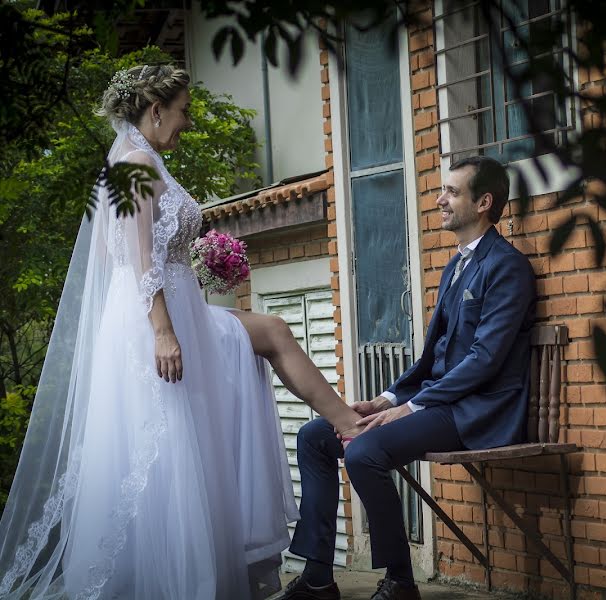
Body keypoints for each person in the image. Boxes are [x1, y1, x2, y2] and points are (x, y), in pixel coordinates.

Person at [0, 64, 362, 600]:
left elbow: (114, 252)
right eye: (184, 111)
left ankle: (346, 422)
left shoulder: (126, 165)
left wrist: (188, 266)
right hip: (159, 319)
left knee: (245, 362)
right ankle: (349, 424)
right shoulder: (140, 164)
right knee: (196, 415)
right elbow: (141, 260)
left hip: (165, 308)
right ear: (154, 111)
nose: (186, 122)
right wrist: (164, 331)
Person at [283, 156, 536, 600]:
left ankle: (400, 581)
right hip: (437, 402)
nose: (439, 199)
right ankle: (319, 578)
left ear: (484, 203)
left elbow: (484, 360)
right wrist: (386, 399)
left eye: (452, 192)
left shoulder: (507, 267)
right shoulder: (456, 266)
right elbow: (430, 361)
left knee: (364, 452)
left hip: (476, 410)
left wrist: (410, 407)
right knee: (314, 435)